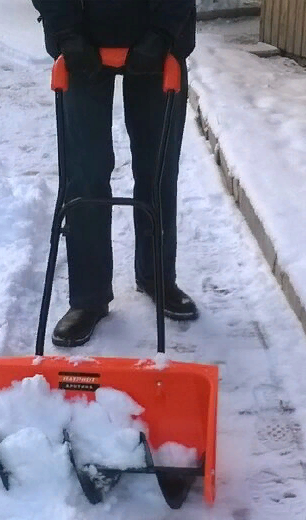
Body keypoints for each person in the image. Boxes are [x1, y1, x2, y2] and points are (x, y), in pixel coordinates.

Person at [31, 0, 200, 348]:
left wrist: (164, 31)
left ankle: (157, 276)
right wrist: (65, 32)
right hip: (81, 38)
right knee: (85, 175)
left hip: (160, 38)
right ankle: (88, 298)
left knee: (158, 169)